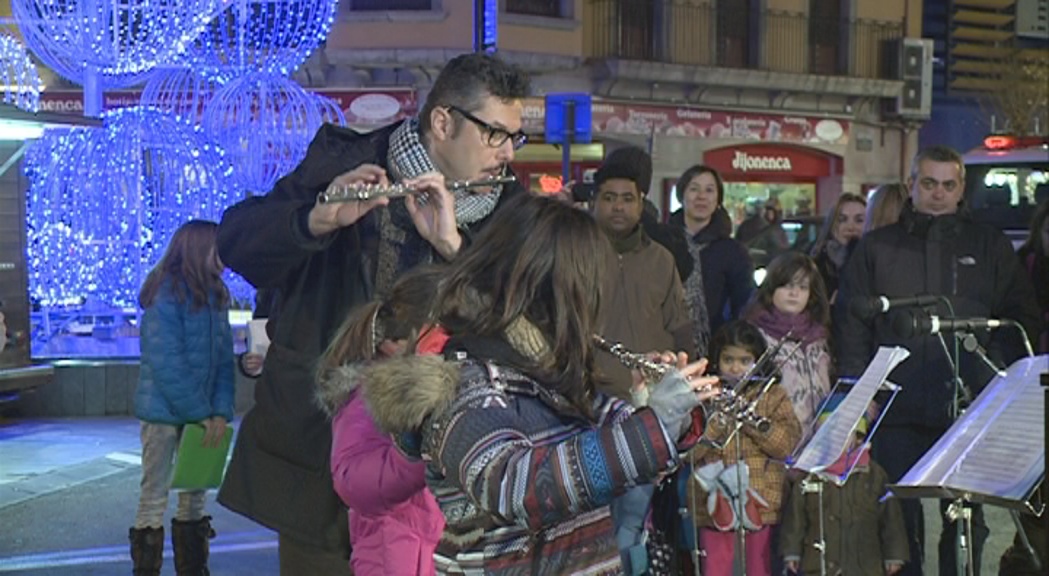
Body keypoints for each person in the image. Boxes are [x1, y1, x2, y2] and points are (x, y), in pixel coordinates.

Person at [214, 52, 531, 574]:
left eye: (513, 137)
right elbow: (237, 242)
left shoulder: (510, 212)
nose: (507, 153)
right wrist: (316, 219)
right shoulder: (345, 161)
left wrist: (455, 248)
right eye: (495, 134)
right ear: (443, 121)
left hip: (439, 474)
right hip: (322, 454)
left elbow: (521, 328)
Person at [360, 193, 720, 574]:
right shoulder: (465, 386)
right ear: (552, 290)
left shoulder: (547, 371)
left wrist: (655, 407)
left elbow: (614, 457)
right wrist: (652, 426)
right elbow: (522, 489)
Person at [836, 145, 1041, 576]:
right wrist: (861, 390)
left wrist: (997, 378)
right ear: (912, 185)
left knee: (967, 522)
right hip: (896, 405)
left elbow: (1020, 314)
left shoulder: (988, 244)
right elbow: (851, 324)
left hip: (970, 406)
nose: (938, 194)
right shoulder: (878, 247)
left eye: (948, 185)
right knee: (896, 521)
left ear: (961, 188)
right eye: (928, 183)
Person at [315, 265, 447, 576]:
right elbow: (352, 482)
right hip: (396, 559)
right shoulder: (368, 392)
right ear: (397, 342)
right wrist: (414, 453)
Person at [129, 220, 235, 576]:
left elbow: (223, 361)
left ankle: (194, 569)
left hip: (201, 415)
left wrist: (220, 412)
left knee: (194, 498)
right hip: (162, 414)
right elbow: (166, 362)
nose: (226, 257)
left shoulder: (217, 293)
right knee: (154, 498)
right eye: (219, 249)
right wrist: (202, 412)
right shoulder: (164, 293)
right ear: (199, 249)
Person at [686, 320, 802, 576]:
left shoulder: (773, 395)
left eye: (745, 360)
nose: (736, 368)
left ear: (758, 361)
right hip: (713, 502)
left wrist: (752, 422)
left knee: (758, 568)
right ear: (716, 360)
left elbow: (786, 445)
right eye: (728, 359)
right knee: (715, 569)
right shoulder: (703, 397)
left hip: (760, 500)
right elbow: (689, 453)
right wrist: (717, 422)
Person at [591, 147, 693, 397]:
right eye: (609, 198)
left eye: (627, 199)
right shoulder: (572, 255)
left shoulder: (661, 259)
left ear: (640, 206)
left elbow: (679, 327)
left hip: (652, 395)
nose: (618, 207)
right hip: (589, 395)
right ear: (594, 202)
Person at [780, 392, 908, 576]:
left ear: (858, 436)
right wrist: (791, 551)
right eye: (828, 433)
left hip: (863, 564)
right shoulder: (809, 475)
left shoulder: (874, 475)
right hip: (819, 564)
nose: (835, 440)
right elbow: (795, 518)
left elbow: (891, 518)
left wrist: (894, 554)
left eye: (843, 434)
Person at [669, 164, 754, 358]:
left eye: (709, 190)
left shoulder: (733, 251)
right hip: (666, 349)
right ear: (682, 195)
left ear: (718, 200)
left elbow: (744, 304)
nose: (701, 196)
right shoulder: (663, 243)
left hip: (717, 352)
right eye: (694, 189)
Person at [744, 252, 832, 432]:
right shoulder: (754, 335)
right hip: (775, 439)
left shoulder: (820, 336)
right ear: (772, 288)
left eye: (803, 287)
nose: (794, 293)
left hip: (819, 440)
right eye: (786, 286)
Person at [810, 192, 866, 304]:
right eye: (842, 220)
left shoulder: (876, 262)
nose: (850, 227)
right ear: (832, 224)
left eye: (859, 220)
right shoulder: (816, 265)